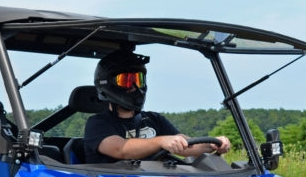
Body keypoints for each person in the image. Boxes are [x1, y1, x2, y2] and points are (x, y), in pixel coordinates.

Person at [83, 49, 231, 163]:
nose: (135, 87)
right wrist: (161, 141)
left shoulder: (154, 119)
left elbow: (186, 146)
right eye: (127, 81)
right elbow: (121, 149)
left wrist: (213, 144)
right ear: (107, 84)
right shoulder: (97, 124)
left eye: (139, 80)